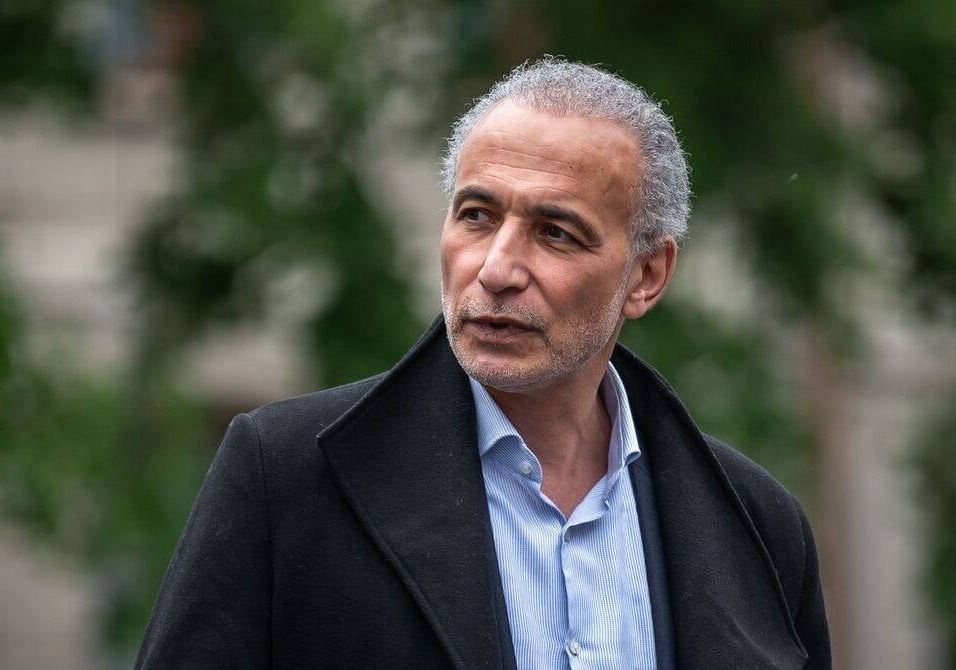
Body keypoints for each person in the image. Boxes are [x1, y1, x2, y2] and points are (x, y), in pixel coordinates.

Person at [136, 57, 831, 670]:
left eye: (555, 233)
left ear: (647, 276)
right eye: (475, 216)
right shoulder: (284, 478)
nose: (497, 269)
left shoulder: (761, 527)